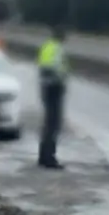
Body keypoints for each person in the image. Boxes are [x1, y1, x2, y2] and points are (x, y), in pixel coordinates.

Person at [37, 25, 68, 169]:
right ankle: (49, 158)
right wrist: (60, 80)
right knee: (53, 124)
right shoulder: (56, 48)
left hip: (47, 88)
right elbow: (51, 68)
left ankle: (44, 156)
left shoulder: (47, 46)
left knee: (49, 124)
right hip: (53, 89)